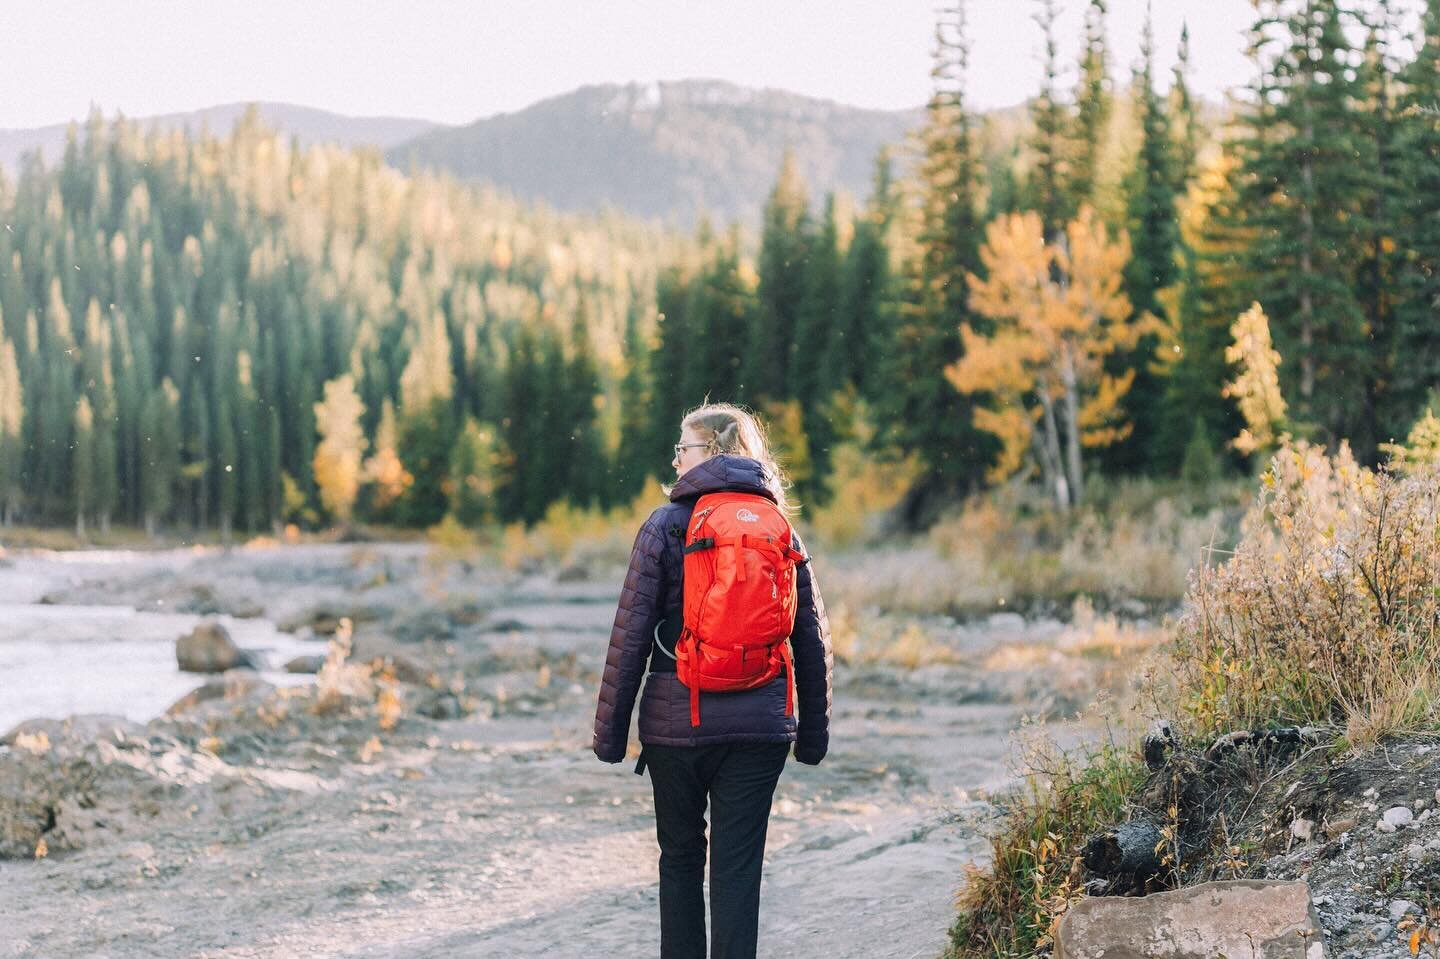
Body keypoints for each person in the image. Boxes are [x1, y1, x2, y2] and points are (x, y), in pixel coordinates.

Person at [593, 402, 833, 959]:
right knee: (737, 869)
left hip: (676, 727)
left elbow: (629, 636)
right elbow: (812, 636)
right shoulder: (778, 526)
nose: (675, 459)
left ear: (714, 453)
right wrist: (812, 734)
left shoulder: (664, 525)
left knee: (679, 860)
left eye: (684, 447)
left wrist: (610, 736)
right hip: (759, 727)